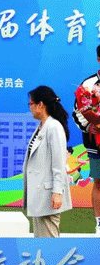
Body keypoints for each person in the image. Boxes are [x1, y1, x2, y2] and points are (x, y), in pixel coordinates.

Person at [24, 86, 72, 237]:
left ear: (40, 105)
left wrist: (57, 192)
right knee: (41, 240)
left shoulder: (54, 127)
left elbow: (58, 164)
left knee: (48, 241)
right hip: (40, 195)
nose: (30, 107)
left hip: (48, 195)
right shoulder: (43, 127)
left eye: (31, 104)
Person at [72, 46, 100, 235]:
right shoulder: (88, 85)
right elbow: (78, 112)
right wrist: (91, 127)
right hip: (96, 143)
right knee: (99, 182)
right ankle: (99, 223)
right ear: (98, 59)